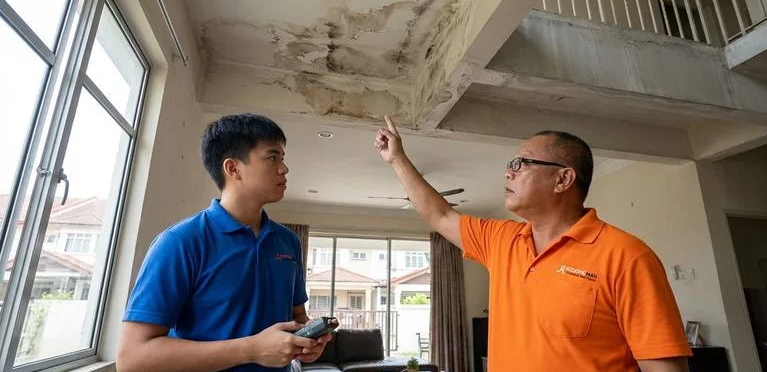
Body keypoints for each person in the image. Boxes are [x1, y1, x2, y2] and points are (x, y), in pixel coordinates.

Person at [374, 116, 691, 372]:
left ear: (563, 179)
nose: (508, 173)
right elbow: (441, 215)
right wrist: (397, 159)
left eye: (520, 163)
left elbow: (663, 367)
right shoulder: (501, 239)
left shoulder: (627, 256)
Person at [117, 113, 331, 372]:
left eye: (282, 159)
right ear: (233, 168)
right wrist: (251, 350)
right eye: (272, 157)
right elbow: (132, 359)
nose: (284, 168)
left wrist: (306, 340)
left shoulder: (288, 241)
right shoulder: (180, 242)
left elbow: (297, 315)